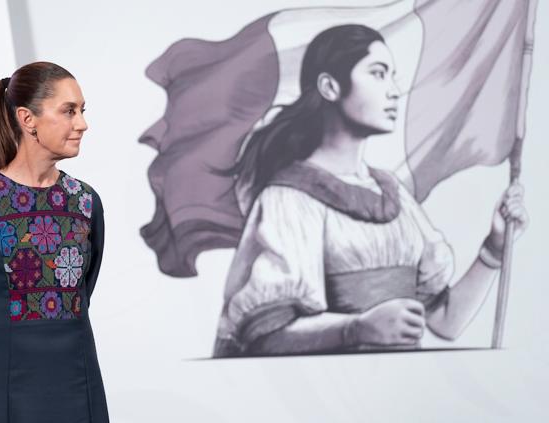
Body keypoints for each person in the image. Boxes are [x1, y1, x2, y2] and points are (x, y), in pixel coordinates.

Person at [213, 25, 529, 357]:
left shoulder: (394, 195)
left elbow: (445, 321)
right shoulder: (289, 199)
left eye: (393, 76)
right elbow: (265, 338)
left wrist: (494, 249)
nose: (394, 91)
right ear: (330, 87)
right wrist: (357, 328)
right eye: (378, 74)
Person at [0, 61, 109, 422]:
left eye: (82, 110)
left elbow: (82, 293)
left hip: (78, 389)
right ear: (27, 118)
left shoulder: (85, 203)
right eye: (69, 111)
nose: (82, 123)